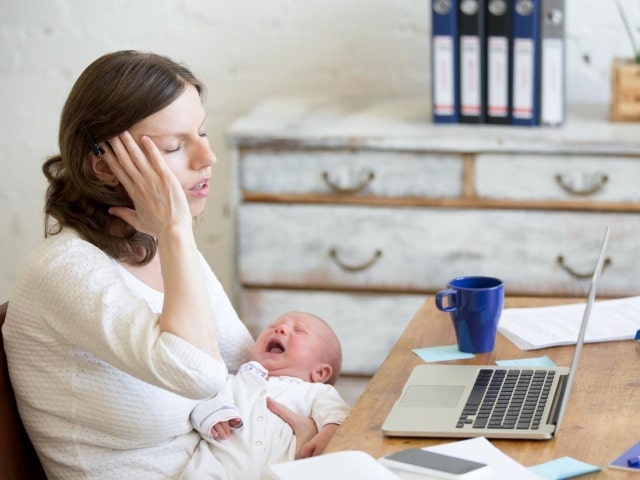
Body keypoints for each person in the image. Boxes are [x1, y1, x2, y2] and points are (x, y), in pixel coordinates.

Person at [2, 50, 332, 480]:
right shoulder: (64, 269)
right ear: (104, 166)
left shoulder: (158, 246)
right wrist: (176, 231)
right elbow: (199, 375)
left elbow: (242, 368)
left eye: (202, 132)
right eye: (175, 146)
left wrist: (314, 426)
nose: (207, 157)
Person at [185, 311, 350, 480]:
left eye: (299, 330)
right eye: (272, 326)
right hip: (221, 468)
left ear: (320, 372)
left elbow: (339, 414)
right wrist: (210, 414)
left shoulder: (316, 392)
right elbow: (200, 400)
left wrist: (329, 432)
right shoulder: (234, 380)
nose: (280, 328)